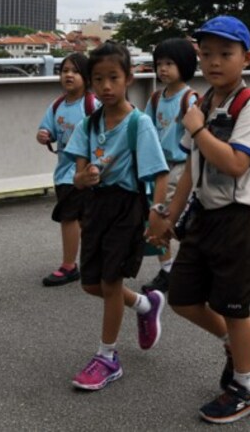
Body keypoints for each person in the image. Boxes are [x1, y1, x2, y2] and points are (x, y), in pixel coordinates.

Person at [153, 16, 250, 424]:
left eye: (226, 53)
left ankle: (248, 387)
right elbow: (191, 165)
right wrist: (169, 212)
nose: (214, 62)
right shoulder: (204, 102)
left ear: (248, 57)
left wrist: (200, 130)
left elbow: (237, 164)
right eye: (207, 54)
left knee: (235, 306)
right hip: (204, 214)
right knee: (183, 298)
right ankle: (242, 342)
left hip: (240, 218)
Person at [63, 40, 169, 391]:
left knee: (110, 283)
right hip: (96, 206)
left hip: (127, 206)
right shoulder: (89, 125)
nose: (106, 87)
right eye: (98, 79)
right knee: (91, 283)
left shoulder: (140, 124)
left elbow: (160, 172)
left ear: (129, 78)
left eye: (113, 78)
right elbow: (77, 177)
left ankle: (107, 357)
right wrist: (84, 177)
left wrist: (157, 212)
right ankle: (144, 303)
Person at [140, 37, 199, 293]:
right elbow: (146, 130)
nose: (162, 69)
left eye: (169, 63)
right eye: (159, 63)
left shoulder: (190, 99)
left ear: (184, 65)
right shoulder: (156, 98)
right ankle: (169, 268)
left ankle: (176, 268)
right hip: (159, 168)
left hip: (180, 166)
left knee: (167, 218)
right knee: (159, 217)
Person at [36, 53, 99, 287]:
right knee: (81, 219)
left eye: (74, 71)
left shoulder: (92, 104)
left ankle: (69, 265)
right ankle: (88, 260)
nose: (68, 75)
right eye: (64, 71)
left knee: (69, 217)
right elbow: (46, 130)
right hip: (64, 172)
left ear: (86, 76)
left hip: (86, 172)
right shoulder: (57, 105)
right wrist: (44, 136)